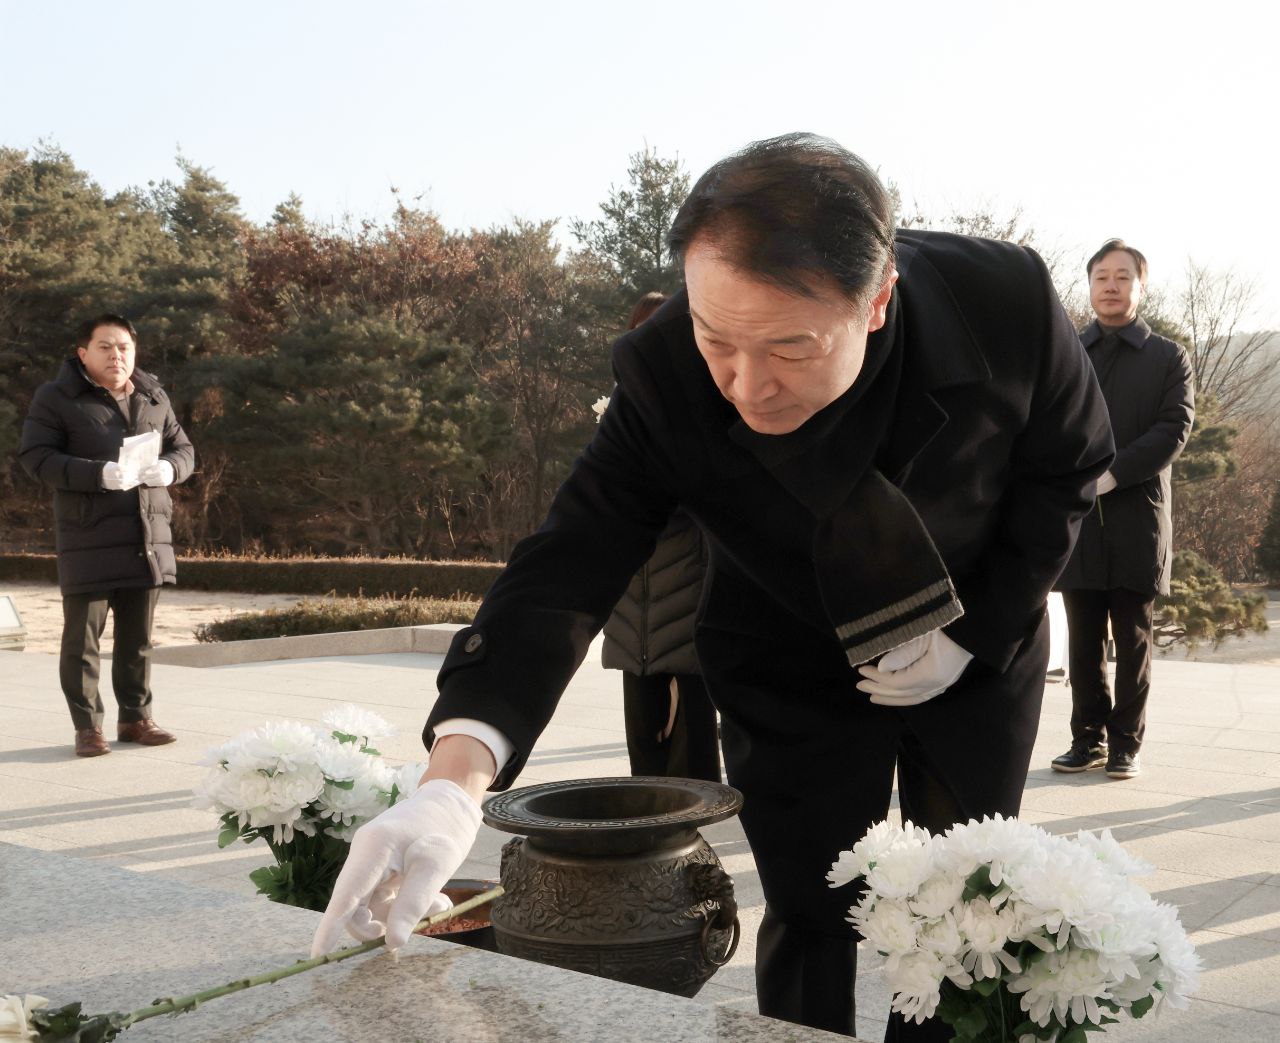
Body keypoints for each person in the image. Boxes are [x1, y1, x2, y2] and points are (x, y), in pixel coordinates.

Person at [312, 135, 1114, 1041]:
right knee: (808, 908)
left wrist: (977, 630)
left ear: (878, 298)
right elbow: (571, 557)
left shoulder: (1002, 300)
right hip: (786, 649)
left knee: (966, 913)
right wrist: (453, 784)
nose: (747, 386)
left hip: (974, 635)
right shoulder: (663, 370)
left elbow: (1070, 466)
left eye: (791, 346)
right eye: (717, 340)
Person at [19, 314, 195, 757]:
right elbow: (36, 458)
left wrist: (171, 468)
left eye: (124, 347)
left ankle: (136, 718)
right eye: (105, 347)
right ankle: (88, 727)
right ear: (83, 353)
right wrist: (98, 474)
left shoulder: (153, 395)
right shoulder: (57, 397)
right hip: (88, 537)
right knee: (82, 642)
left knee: (138, 640)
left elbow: (184, 448)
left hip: (146, 536)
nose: (117, 355)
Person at [1052, 241, 1195, 780]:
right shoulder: (1069, 351)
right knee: (1082, 638)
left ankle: (1125, 744)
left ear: (1140, 286)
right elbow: (1045, 419)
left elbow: (1174, 427)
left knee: (1133, 638)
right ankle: (1086, 738)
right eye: (1101, 277)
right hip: (1078, 516)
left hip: (1138, 515)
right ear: (1089, 285)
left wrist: (1115, 473)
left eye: (1123, 277)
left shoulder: (1168, 357)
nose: (1111, 286)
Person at [602, 292, 721, 783]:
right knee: (645, 772)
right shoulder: (620, 418)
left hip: (687, 624)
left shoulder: (709, 411)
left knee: (692, 780)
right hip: (633, 626)